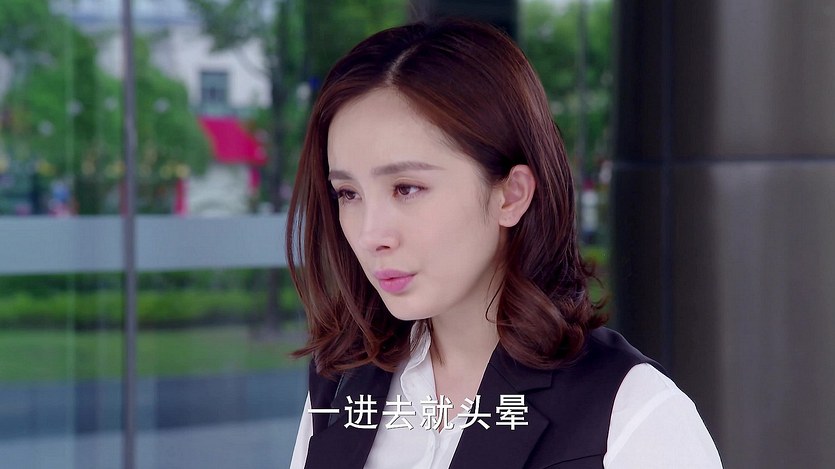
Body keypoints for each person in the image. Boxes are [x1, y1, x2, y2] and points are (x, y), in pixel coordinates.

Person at [286, 19, 722, 469]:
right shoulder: (341, 385)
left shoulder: (632, 415)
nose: (370, 235)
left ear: (511, 195)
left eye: (407, 188)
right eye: (348, 194)